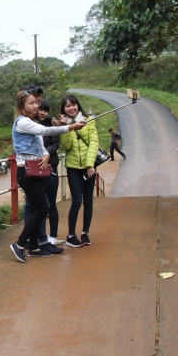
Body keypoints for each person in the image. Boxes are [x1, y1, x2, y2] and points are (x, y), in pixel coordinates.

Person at [9, 89, 85, 262]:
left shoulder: (30, 121)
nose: (36, 106)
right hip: (26, 171)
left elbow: (40, 142)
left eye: (36, 102)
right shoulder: (22, 123)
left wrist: (45, 154)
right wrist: (71, 127)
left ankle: (35, 246)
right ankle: (20, 244)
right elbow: (45, 132)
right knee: (43, 209)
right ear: (22, 105)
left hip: (38, 169)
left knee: (39, 209)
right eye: (31, 103)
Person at [60, 95, 99, 248]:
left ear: (78, 105)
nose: (71, 108)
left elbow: (94, 142)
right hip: (73, 167)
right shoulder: (63, 125)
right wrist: (67, 128)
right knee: (76, 201)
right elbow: (67, 146)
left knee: (88, 200)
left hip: (88, 167)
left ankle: (85, 233)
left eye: (73, 105)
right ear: (63, 109)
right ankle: (71, 235)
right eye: (67, 106)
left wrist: (90, 165)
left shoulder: (89, 120)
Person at [38, 99, 63, 248]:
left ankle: (53, 235)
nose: (42, 112)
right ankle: (39, 236)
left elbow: (56, 143)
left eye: (45, 110)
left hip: (51, 166)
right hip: (36, 168)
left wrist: (47, 154)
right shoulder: (31, 124)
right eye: (40, 109)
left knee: (51, 203)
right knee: (38, 204)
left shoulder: (51, 124)